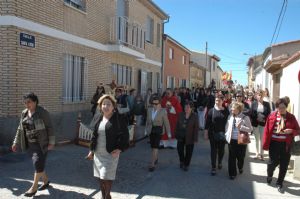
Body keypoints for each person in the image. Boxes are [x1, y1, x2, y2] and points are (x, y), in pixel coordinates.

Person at [12, 93, 55, 197]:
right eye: (25, 102)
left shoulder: (42, 112)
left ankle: (33, 187)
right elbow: (20, 128)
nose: (27, 104)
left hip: (41, 143)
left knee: (37, 164)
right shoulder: (24, 113)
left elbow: (50, 127)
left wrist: (51, 142)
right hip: (30, 144)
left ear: (35, 102)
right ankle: (45, 181)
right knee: (39, 163)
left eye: (29, 102)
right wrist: (15, 142)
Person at [86, 94, 129, 199]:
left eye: (108, 104)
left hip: (111, 153)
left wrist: (119, 149)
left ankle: (106, 196)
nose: (106, 106)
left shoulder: (118, 119)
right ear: (100, 106)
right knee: (100, 178)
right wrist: (91, 150)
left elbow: (125, 136)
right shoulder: (98, 117)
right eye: (103, 104)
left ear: (113, 106)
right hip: (98, 153)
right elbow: (94, 135)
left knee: (106, 176)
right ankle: (105, 196)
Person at [263, 98, 300, 193]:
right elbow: (266, 131)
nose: (281, 110)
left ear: (286, 107)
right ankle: (270, 174)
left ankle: (279, 183)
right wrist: (265, 144)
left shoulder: (291, 117)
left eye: (283, 107)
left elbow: (298, 130)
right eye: (279, 108)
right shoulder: (271, 116)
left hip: (286, 144)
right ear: (277, 108)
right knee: (272, 163)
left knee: (284, 165)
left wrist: (292, 131)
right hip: (274, 144)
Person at [225, 102, 253, 180]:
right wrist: (226, 134)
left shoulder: (245, 118)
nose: (231, 109)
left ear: (238, 109)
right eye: (231, 108)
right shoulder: (230, 116)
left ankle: (240, 167)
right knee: (231, 157)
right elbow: (227, 126)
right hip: (232, 140)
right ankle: (232, 173)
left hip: (241, 141)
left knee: (241, 157)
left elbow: (251, 129)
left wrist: (241, 127)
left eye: (233, 108)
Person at [205, 94, 230, 175]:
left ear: (222, 101)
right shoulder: (211, 110)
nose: (217, 102)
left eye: (219, 100)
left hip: (223, 134)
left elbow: (229, 122)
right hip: (213, 133)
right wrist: (206, 133)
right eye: (216, 100)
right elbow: (207, 123)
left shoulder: (226, 110)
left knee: (221, 150)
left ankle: (219, 161)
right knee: (213, 150)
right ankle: (213, 167)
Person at [145, 96, 171, 171]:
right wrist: (146, 130)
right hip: (151, 130)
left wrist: (169, 133)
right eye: (153, 104)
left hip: (158, 130)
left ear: (160, 104)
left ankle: (152, 164)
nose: (155, 105)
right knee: (153, 147)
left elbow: (166, 122)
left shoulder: (163, 111)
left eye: (156, 104)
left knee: (155, 147)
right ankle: (155, 158)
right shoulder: (149, 110)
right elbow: (147, 121)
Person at [175, 101, 199, 171]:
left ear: (191, 108)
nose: (186, 108)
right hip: (181, 135)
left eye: (188, 107)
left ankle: (186, 164)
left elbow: (196, 128)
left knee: (189, 151)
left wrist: (195, 138)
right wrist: (176, 133)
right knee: (179, 150)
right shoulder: (180, 114)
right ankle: (182, 161)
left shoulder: (194, 116)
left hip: (190, 136)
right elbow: (177, 125)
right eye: (185, 107)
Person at [250, 90, 271, 160]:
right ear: (256, 96)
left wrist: (264, 118)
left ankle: (262, 154)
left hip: (263, 124)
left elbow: (269, 114)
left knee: (262, 139)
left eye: (261, 95)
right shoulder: (253, 103)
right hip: (255, 124)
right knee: (256, 139)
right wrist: (256, 117)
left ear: (263, 96)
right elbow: (251, 113)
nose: (260, 96)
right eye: (258, 95)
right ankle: (257, 153)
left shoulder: (267, 104)